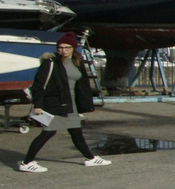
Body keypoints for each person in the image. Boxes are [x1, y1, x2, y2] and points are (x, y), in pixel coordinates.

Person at [17, 33, 110, 172]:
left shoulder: (77, 62)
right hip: (55, 102)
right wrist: (38, 105)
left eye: (67, 47)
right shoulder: (51, 63)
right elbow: (39, 85)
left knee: (76, 131)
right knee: (48, 132)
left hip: (71, 104)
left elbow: (81, 84)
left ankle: (90, 158)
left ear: (73, 48)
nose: (63, 50)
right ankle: (27, 162)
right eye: (60, 47)